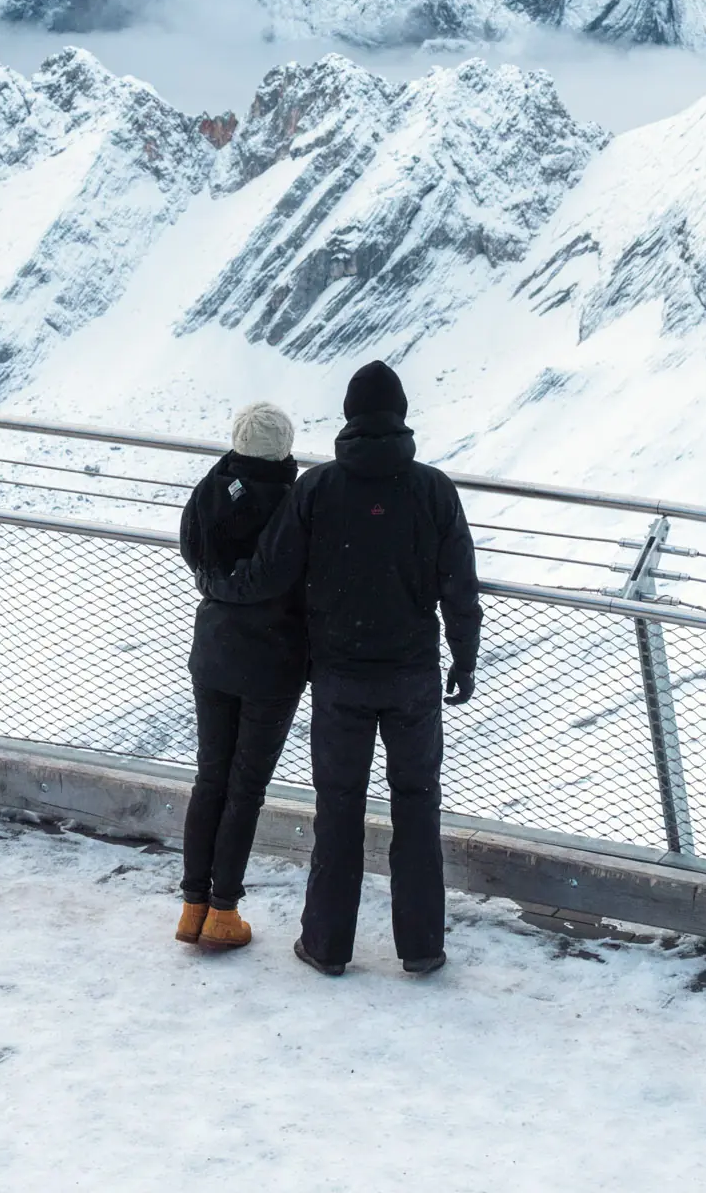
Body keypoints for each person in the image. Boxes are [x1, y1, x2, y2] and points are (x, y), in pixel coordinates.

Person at [200, 360, 480, 978]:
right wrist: (464, 654)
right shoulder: (434, 489)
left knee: (339, 806)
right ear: (401, 417)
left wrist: (220, 585)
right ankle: (422, 946)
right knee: (417, 804)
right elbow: (459, 583)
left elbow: (270, 572)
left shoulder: (318, 488)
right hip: (412, 676)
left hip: (339, 677)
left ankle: (326, 945)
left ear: (350, 418)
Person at [176, 400, 303, 953]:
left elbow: (194, 553)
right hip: (271, 664)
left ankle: (192, 906)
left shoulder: (211, 490)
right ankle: (224, 912)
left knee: (211, 778)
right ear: (284, 449)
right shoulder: (297, 503)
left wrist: (222, 586)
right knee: (245, 788)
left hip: (214, 652)